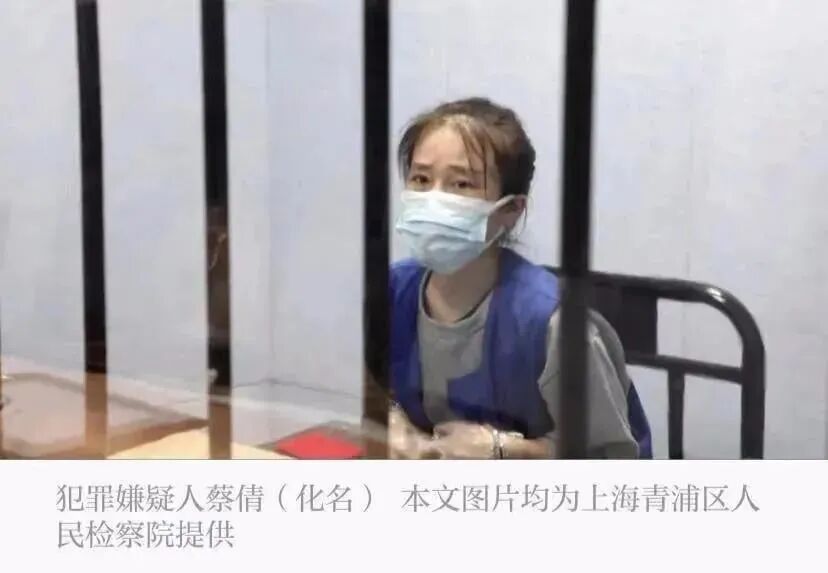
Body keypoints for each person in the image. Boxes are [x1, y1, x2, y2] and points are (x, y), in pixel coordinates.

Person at [387, 97, 652, 459]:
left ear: (510, 209)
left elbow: (611, 458)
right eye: (420, 179)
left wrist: (507, 451)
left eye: (461, 184)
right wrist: (391, 419)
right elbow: (378, 388)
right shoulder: (392, 292)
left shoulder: (553, 324)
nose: (433, 200)